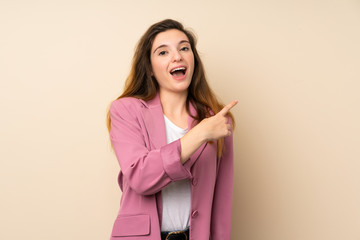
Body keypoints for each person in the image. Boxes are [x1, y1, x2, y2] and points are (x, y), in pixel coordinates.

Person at [106, 19, 237, 240]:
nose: (177, 56)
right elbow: (140, 177)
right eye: (163, 52)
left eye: (184, 48)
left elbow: (221, 200)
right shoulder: (125, 110)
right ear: (149, 68)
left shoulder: (217, 120)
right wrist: (199, 134)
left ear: (193, 60)